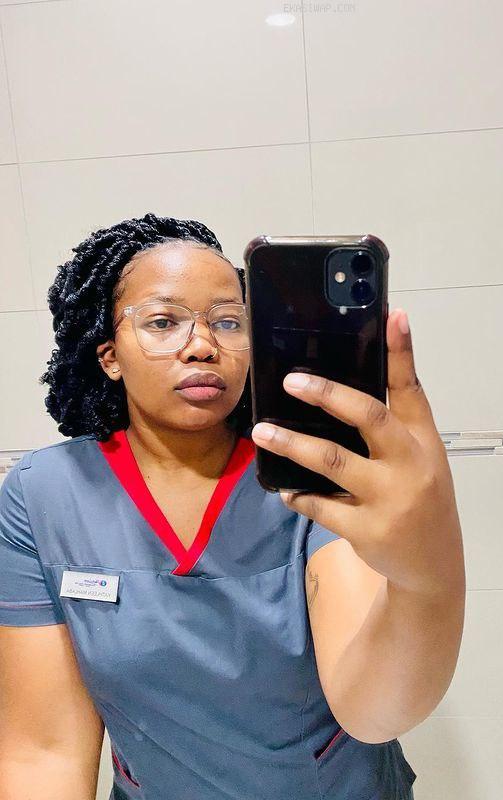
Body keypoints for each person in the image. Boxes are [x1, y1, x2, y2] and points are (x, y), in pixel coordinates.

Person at [0, 213, 417, 799]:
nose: (202, 346)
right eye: (163, 322)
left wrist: (427, 572)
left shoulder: (309, 470)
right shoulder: (44, 495)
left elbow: (371, 700)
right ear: (109, 355)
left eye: (227, 322)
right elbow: (44, 752)